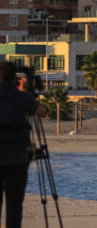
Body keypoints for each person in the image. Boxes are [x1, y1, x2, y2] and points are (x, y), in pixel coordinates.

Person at [0, 62, 46, 228]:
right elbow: (41, 112)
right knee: (14, 205)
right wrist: (25, 92)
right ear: (15, 78)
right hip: (17, 157)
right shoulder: (22, 97)